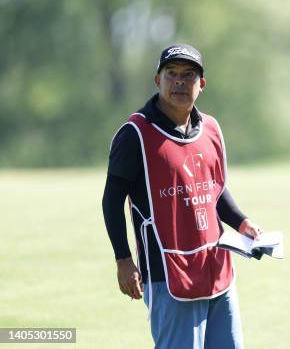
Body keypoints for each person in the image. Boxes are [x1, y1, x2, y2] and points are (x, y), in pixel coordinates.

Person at [102, 44, 261, 348]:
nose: (179, 82)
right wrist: (123, 260)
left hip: (217, 270)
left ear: (201, 85)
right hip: (167, 275)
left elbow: (213, 189)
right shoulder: (135, 133)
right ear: (156, 80)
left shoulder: (211, 129)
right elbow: (111, 201)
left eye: (188, 76)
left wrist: (242, 223)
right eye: (171, 74)